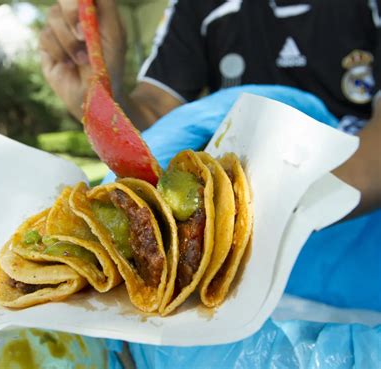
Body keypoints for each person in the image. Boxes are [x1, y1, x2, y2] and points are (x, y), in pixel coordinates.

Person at [38, 2, 381, 367]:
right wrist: (103, 93)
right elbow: (156, 111)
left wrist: (267, 204)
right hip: (223, 287)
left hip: (360, 252)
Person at [39, 0, 380, 217]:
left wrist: (269, 213)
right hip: (240, 238)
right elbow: (159, 117)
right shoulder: (198, 7)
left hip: (358, 230)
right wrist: (100, 95)